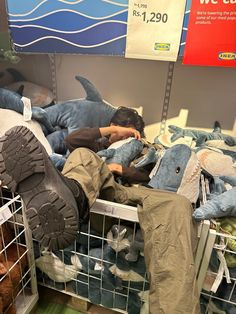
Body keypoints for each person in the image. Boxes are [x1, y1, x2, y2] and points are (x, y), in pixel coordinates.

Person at [0, 125, 200, 313]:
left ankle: (72, 196)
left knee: (178, 204)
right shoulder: (103, 145)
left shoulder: (157, 150)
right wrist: (113, 130)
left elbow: (161, 179)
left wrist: (125, 170)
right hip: (99, 192)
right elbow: (72, 139)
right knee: (82, 154)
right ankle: (72, 196)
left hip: (140, 192)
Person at [65, 106, 153, 185]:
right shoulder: (98, 147)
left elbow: (146, 177)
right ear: (113, 125)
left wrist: (116, 168)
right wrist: (113, 129)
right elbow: (71, 140)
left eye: (131, 135)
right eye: (125, 132)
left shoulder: (135, 150)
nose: (125, 137)